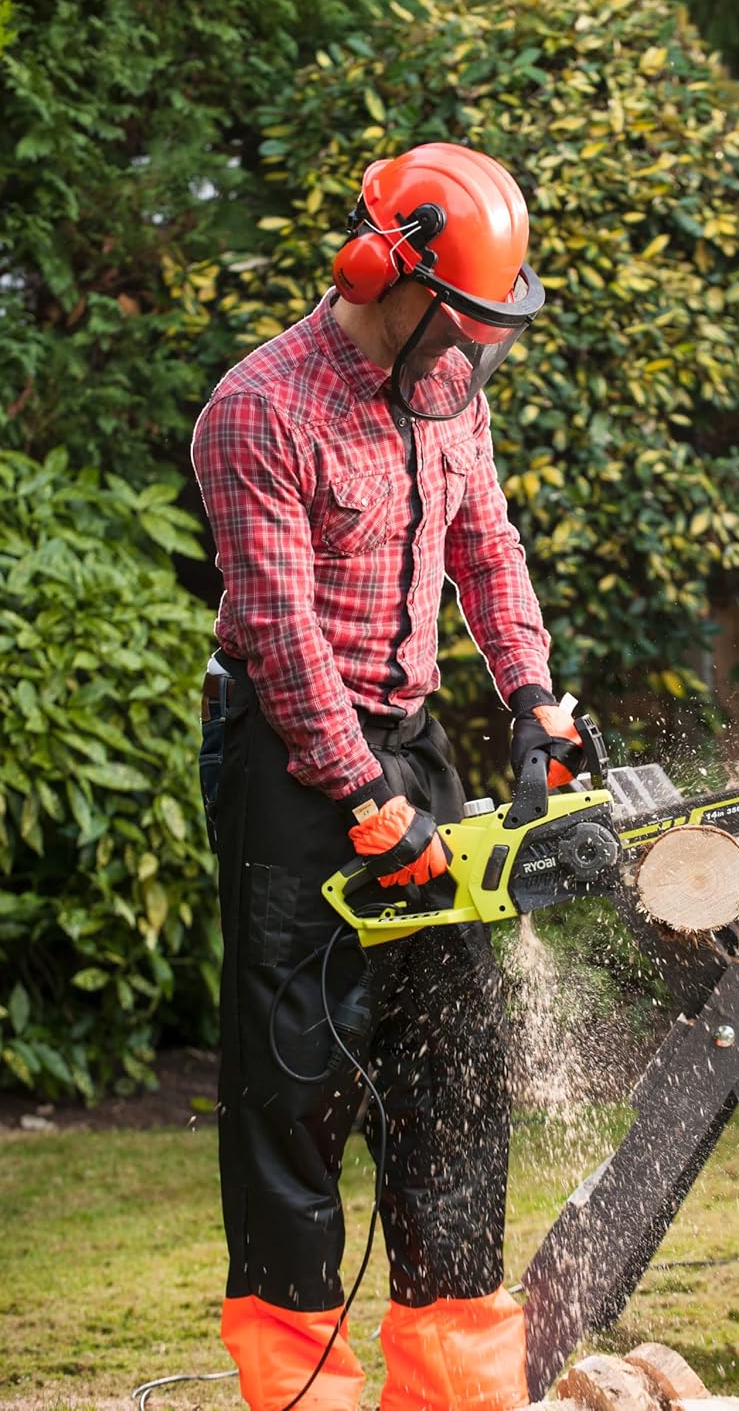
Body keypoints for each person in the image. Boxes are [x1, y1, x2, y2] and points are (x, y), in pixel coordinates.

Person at [191, 141, 584, 1411]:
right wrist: (363, 801)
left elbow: (487, 546)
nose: (478, 348)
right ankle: (302, 1393)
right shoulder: (258, 412)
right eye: (462, 317)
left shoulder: (447, 391)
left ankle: (454, 1388)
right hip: (291, 759)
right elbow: (279, 630)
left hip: (410, 738)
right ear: (388, 275)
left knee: (449, 1064)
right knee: (294, 1084)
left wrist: (530, 696)